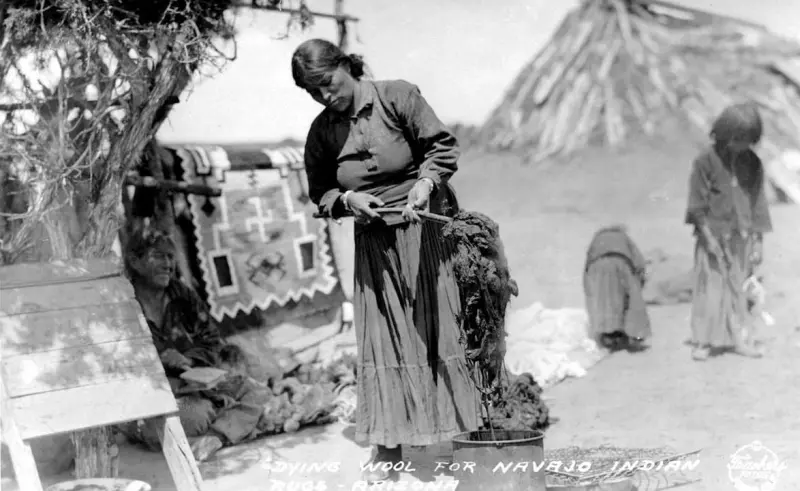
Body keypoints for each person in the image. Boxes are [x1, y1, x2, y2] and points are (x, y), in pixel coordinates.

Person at [292, 38, 480, 482]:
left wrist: (425, 184)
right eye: (312, 91)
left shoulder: (397, 97)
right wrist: (348, 200)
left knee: (440, 327)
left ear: (345, 65)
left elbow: (441, 147)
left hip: (424, 228)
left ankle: (465, 439)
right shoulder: (322, 132)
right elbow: (321, 192)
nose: (324, 96)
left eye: (327, 83)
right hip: (375, 242)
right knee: (383, 339)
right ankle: (388, 447)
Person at [120, 226, 267, 461]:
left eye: (170, 257)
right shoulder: (123, 305)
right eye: (158, 256)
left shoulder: (181, 294)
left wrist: (188, 359)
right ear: (135, 261)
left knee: (257, 391)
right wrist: (160, 361)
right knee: (194, 415)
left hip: (198, 386)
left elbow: (212, 340)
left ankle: (215, 436)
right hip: (159, 396)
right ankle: (222, 420)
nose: (168, 264)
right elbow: (121, 368)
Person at [685, 102, 771, 361]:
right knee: (711, 290)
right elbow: (697, 204)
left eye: (747, 140)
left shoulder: (753, 163)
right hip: (712, 236)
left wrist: (758, 242)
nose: (742, 146)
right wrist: (708, 237)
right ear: (724, 133)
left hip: (741, 237)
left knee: (738, 290)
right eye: (738, 139)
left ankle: (740, 340)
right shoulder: (705, 161)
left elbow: (758, 203)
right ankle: (703, 341)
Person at [583, 225, 651, 351]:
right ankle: (636, 333)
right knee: (633, 299)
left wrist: (589, 287)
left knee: (604, 301)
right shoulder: (623, 237)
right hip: (621, 261)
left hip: (597, 265)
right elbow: (638, 260)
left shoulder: (597, 239)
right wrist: (639, 281)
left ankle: (608, 333)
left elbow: (588, 263)